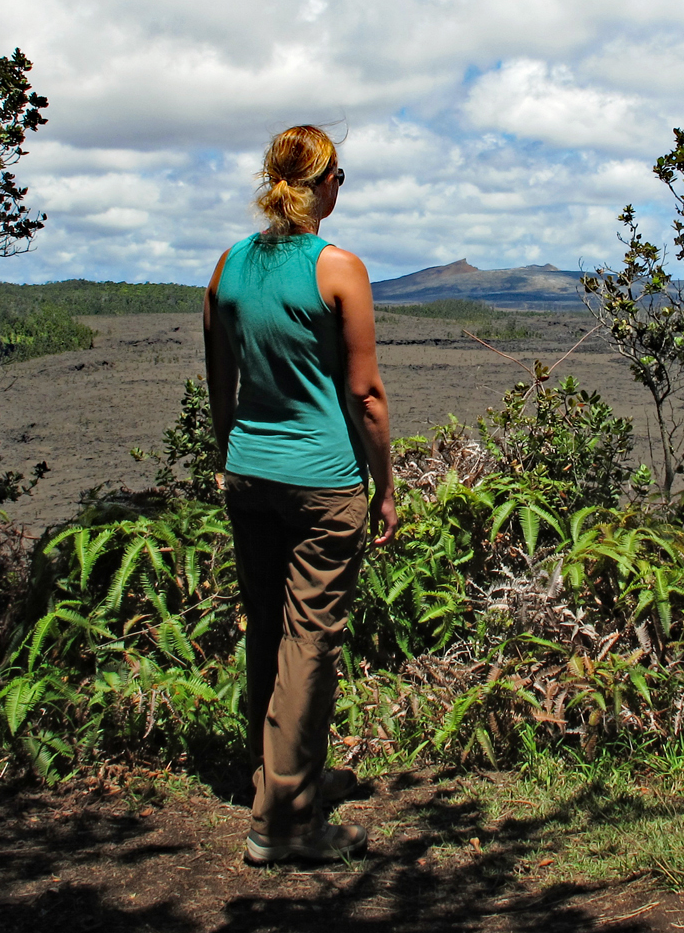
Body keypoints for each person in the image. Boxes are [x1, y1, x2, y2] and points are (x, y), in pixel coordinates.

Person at [202, 124, 397, 866]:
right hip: (323, 484)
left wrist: (228, 458)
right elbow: (367, 396)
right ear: (319, 185)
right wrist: (385, 487)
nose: (341, 187)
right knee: (310, 642)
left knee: (267, 629)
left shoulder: (229, 266)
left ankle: (274, 780)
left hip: (249, 477)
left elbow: (221, 381)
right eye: (339, 175)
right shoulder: (339, 268)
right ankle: (283, 825)